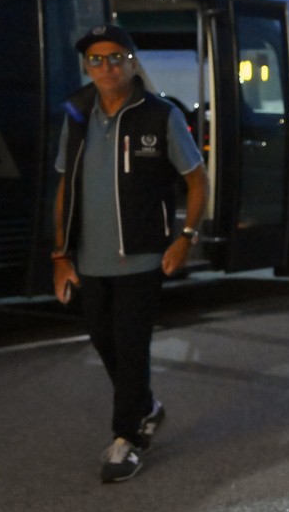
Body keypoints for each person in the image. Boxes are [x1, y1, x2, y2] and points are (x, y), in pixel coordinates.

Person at [52, 24, 208, 483]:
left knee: (132, 345)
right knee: (104, 340)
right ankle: (147, 406)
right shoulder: (76, 112)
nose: (106, 67)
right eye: (96, 59)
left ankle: (129, 438)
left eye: (115, 57)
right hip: (89, 257)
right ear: (86, 66)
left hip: (142, 257)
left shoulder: (161, 116)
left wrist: (186, 237)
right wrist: (60, 253)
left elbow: (198, 180)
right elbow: (66, 184)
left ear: (132, 61)